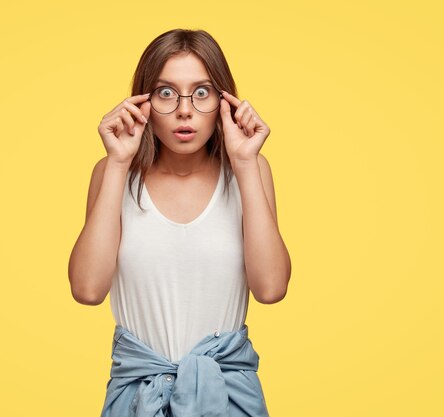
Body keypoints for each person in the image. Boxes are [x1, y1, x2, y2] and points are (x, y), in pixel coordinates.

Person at [68, 28, 291, 416]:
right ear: (143, 101)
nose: (184, 110)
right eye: (166, 93)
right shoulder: (112, 172)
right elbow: (87, 289)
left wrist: (244, 164)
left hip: (227, 399)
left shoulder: (250, 170)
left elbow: (271, 288)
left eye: (201, 92)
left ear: (224, 100)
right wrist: (120, 163)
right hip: (137, 399)